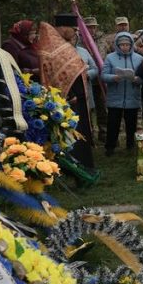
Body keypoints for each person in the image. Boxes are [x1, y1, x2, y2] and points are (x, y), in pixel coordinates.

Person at [45, 15, 96, 169]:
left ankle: (84, 165)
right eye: (73, 29)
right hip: (67, 98)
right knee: (71, 134)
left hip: (79, 97)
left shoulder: (64, 45)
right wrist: (70, 94)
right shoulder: (54, 46)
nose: (75, 33)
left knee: (81, 133)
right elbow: (56, 73)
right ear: (63, 27)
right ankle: (73, 166)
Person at [100, 31, 143, 157]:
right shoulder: (110, 58)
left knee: (131, 124)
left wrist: (136, 79)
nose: (125, 47)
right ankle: (110, 147)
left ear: (131, 45)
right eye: (122, 45)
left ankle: (130, 145)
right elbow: (103, 75)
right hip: (115, 97)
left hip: (132, 96)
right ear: (117, 45)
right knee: (113, 124)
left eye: (127, 45)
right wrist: (113, 78)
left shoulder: (139, 58)